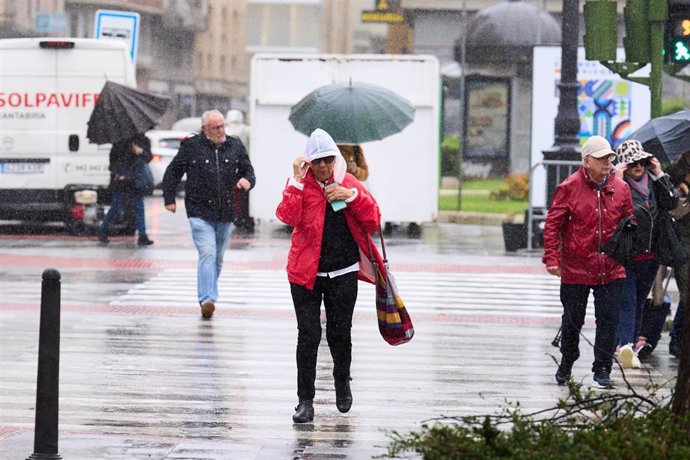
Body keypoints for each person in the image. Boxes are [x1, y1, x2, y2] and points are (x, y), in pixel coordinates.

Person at [275, 128, 384, 423]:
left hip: (343, 270)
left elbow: (374, 220)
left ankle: (341, 381)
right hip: (304, 272)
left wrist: (351, 196)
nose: (323, 167)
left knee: (339, 332)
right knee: (308, 334)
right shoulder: (302, 184)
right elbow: (286, 216)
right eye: (317, 161)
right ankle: (305, 400)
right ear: (308, 162)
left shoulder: (348, 183)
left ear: (335, 160)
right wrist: (296, 182)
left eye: (327, 160)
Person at [543, 135, 634, 388]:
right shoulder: (569, 187)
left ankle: (602, 368)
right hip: (576, 266)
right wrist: (552, 258)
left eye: (610, 158)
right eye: (602, 158)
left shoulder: (621, 188)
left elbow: (628, 220)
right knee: (573, 319)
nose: (608, 163)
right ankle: (568, 360)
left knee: (609, 318)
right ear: (586, 161)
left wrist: (627, 247)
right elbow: (553, 225)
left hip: (612, 267)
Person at [162, 109, 256, 319]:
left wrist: (247, 181)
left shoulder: (235, 145)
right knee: (208, 254)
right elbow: (173, 171)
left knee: (218, 259)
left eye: (223, 126)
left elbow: (248, 171)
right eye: (216, 127)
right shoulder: (192, 146)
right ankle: (207, 299)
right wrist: (169, 198)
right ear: (205, 129)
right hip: (199, 212)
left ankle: (208, 294)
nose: (221, 131)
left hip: (226, 212)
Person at [612, 140, 678, 367]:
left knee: (640, 300)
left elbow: (671, 202)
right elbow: (612, 210)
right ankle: (625, 345)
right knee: (628, 302)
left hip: (651, 255)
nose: (638, 167)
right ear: (623, 166)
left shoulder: (654, 182)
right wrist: (617, 179)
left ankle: (628, 343)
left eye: (641, 161)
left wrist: (660, 173)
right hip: (627, 254)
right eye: (632, 163)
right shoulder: (619, 185)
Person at [99, 133, 154, 246]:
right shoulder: (120, 141)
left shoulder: (143, 140)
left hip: (135, 181)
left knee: (139, 208)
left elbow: (148, 158)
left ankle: (142, 235)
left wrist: (140, 151)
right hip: (121, 182)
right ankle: (103, 230)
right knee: (116, 207)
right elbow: (113, 162)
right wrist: (119, 173)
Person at [664, 149, 690, 357]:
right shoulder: (674, 174)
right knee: (687, 294)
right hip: (682, 241)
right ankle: (677, 339)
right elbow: (673, 212)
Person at [225, 109, 253, 233]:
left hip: (228, 167)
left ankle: (235, 216)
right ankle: (243, 217)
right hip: (243, 166)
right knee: (243, 194)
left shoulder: (224, 130)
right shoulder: (246, 130)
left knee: (231, 194)